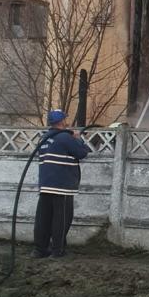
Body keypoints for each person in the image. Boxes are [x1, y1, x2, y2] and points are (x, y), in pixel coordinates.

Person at [34, 109, 91, 258]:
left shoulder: (43, 138)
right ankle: (57, 251)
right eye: (65, 119)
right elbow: (82, 153)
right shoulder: (65, 137)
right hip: (62, 185)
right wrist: (78, 138)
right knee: (62, 219)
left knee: (43, 218)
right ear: (62, 121)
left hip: (45, 184)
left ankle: (40, 250)